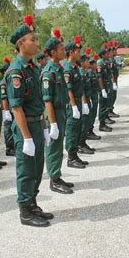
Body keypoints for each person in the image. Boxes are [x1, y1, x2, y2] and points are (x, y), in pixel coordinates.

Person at [5, 14, 53, 227]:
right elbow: (16, 107)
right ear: (20, 43)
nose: (37, 43)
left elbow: (37, 103)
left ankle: (32, 204)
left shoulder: (33, 68)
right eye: (32, 39)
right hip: (25, 127)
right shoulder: (16, 72)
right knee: (26, 170)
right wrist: (26, 138)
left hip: (36, 123)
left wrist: (43, 127)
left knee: (36, 168)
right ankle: (25, 211)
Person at [41, 28, 75, 194]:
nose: (64, 51)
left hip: (61, 111)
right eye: (61, 49)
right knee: (54, 148)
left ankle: (57, 175)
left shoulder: (58, 68)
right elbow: (47, 100)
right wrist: (52, 123)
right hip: (53, 113)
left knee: (58, 146)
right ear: (53, 52)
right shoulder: (49, 72)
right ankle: (53, 180)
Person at [63, 35, 89, 169]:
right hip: (71, 103)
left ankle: (75, 154)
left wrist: (83, 103)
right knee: (72, 130)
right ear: (71, 52)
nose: (80, 54)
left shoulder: (75, 67)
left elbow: (80, 87)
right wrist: (73, 106)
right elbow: (69, 90)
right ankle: (71, 157)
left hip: (78, 101)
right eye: (78, 51)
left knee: (77, 128)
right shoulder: (67, 68)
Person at [78, 48, 96, 155]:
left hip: (88, 99)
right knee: (84, 124)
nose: (88, 63)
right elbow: (81, 90)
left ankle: (83, 142)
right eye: (86, 61)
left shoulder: (84, 72)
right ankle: (80, 144)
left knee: (87, 122)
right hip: (83, 101)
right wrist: (84, 103)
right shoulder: (81, 73)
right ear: (82, 63)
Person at [0, 56, 15, 157]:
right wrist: (6, 111)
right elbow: (4, 98)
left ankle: (13, 146)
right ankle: (9, 148)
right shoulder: (3, 82)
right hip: (7, 109)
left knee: (12, 127)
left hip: (11, 108)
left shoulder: (8, 80)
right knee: (8, 128)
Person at [97, 43, 113, 132]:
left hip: (106, 86)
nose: (108, 55)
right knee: (102, 106)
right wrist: (102, 89)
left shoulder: (105, 62)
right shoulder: (100, 63)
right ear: (102, 55)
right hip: (103, 87)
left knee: (105, 104)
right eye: (106, 54)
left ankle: (104, 122)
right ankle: (101, 124)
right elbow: (99, 77)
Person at [86, 53, 102, 141]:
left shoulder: (93, 72)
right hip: (91, 96)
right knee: (91, 115)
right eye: (95, 64)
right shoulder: (89, 73)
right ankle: (89, 132)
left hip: (94, 95)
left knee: (93, 114)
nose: (96, 65)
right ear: (91, 65)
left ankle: (90, 130)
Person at [108, 40, 120, 118]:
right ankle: (109, 111)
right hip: (112, 80)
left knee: (114, 95)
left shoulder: (113, 59)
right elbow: (111, 72)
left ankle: (110, 110)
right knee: (112, 96)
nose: (116, 51)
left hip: (114, 79)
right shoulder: (111, 60)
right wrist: (113, 83)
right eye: (115, 50)